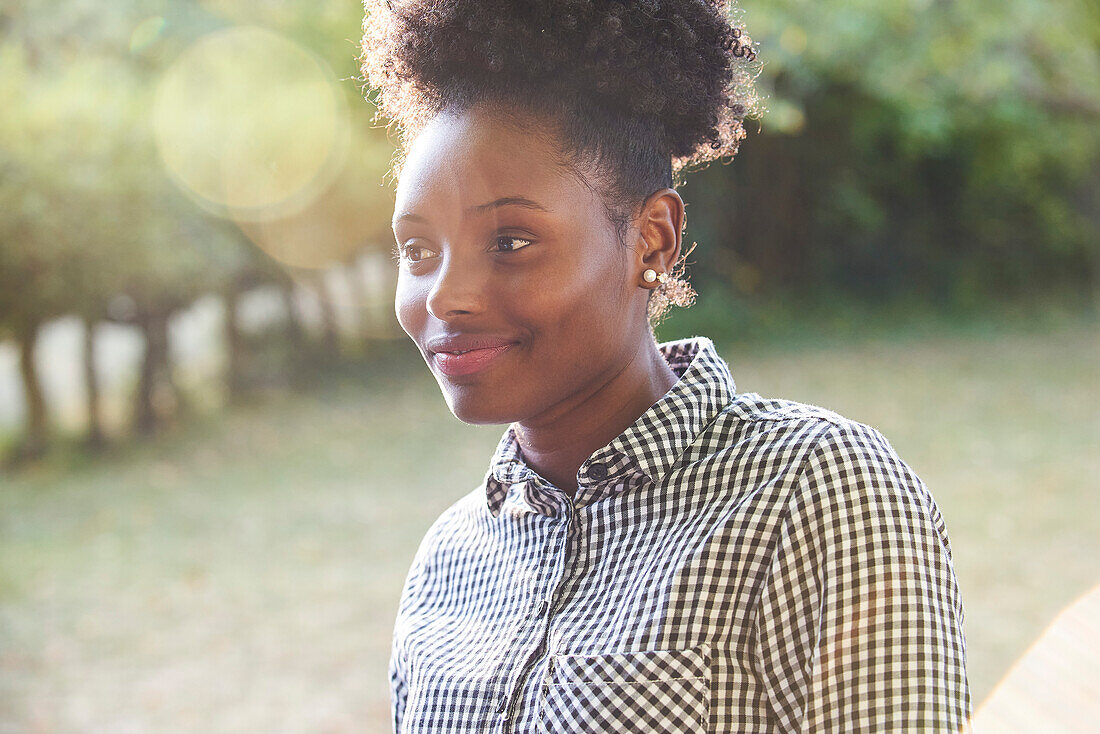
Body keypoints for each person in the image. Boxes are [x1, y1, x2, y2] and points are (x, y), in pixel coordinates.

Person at [359, 1, 971, 732]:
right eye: (418, 251)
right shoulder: (449, 560)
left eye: (511, 242)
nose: (447, 296)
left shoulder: (814, 492)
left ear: (652, 240)